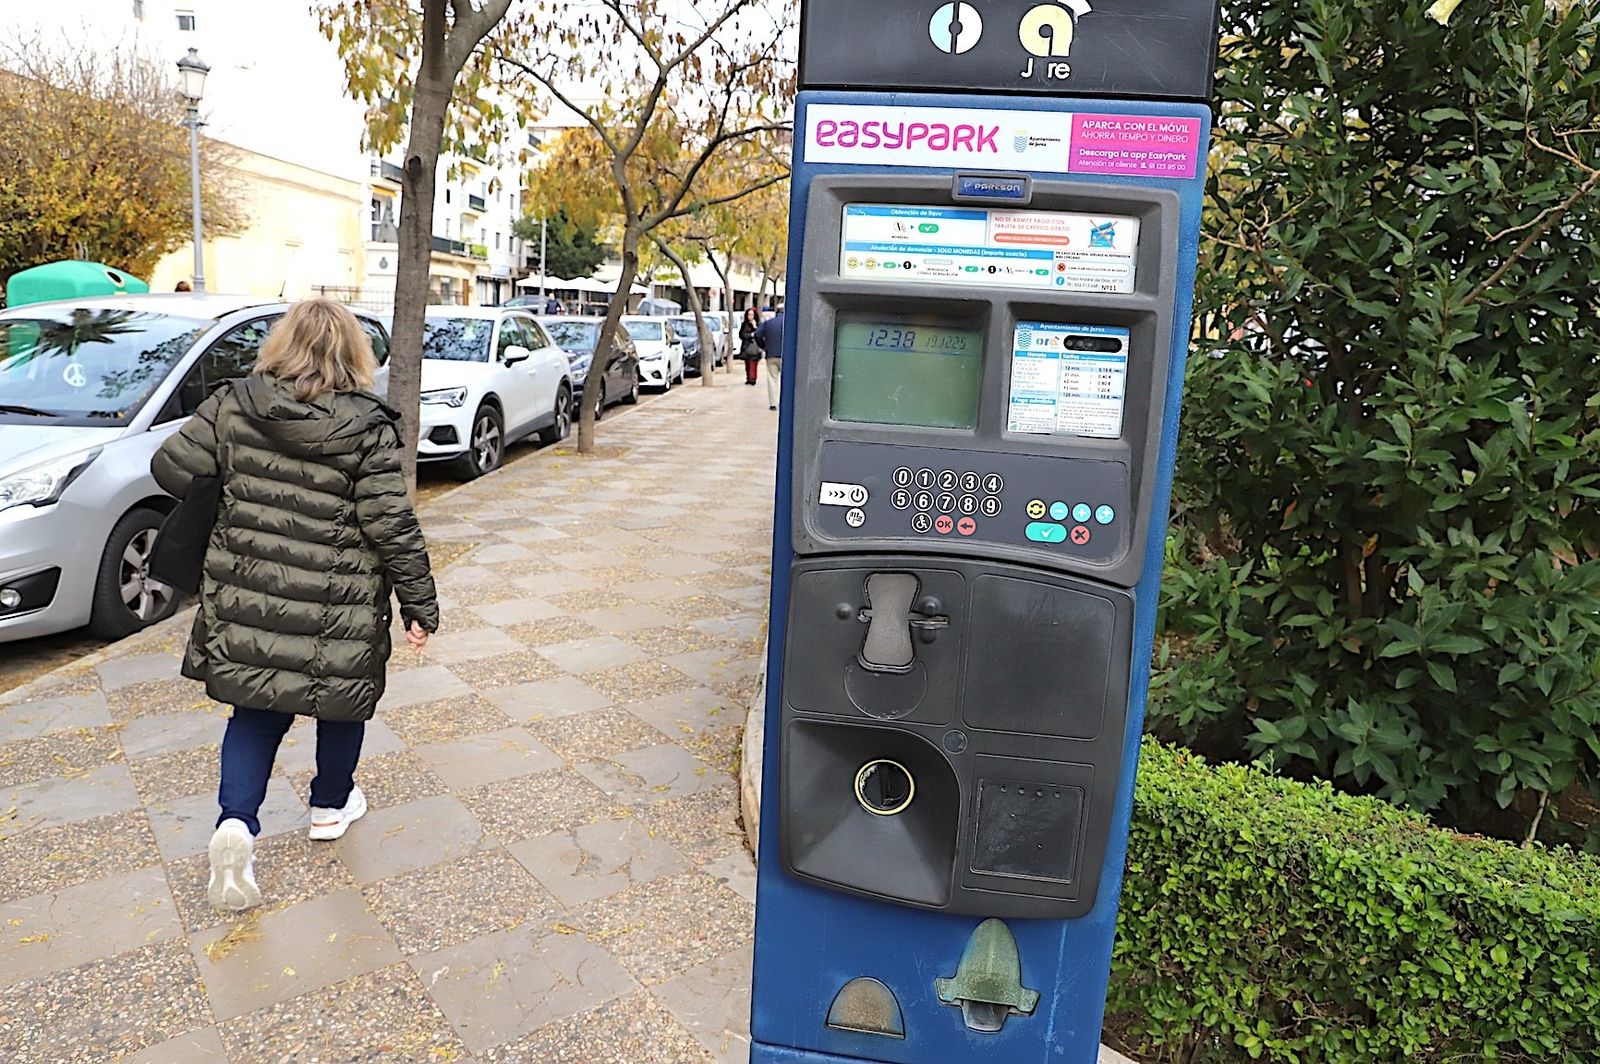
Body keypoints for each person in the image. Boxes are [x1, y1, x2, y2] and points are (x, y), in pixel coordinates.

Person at [151, 299, 439, 913]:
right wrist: (419, 604)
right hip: (341, 598)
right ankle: (330, 806)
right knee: (342, 699)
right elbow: (391, 524)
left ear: (281, 345)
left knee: (255, 710)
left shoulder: (234, 403)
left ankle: (236, 823)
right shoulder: (367, 425)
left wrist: (237, 483)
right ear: (354, 354)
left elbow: (169, 468)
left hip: (248, 591)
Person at [756, 303, 785, 410]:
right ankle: (784, 402)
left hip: (771, 355)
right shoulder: (788, 323)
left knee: (772, 379)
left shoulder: (768, 323)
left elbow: (757, 334)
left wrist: (764, 346)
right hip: (785, 355)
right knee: (785, 379)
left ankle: (773, 403)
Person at [737, 306, 762, 386]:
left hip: (755, 347)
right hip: (746, 346)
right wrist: (750, 335)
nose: (750, 316)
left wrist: (755, 327)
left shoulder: (758, 324)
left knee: (753, 363)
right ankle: (748, 378)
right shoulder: (744, 324)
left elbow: (760, 334)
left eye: (752, 315)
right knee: (747, 364)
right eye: (749, 314)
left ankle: (752, 378)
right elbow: (741, 334)